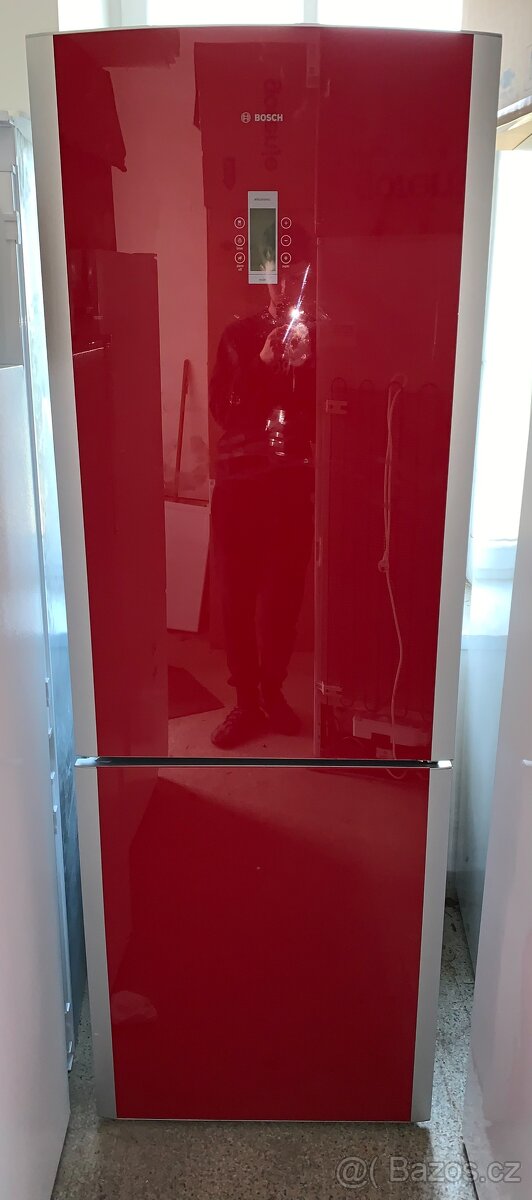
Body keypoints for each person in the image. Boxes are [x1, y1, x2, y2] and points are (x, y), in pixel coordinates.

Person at [209, 247, 315, 749]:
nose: (285, 288)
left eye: (294, 277)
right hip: (239, 489)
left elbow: (322, 418)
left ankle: (272, 693)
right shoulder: (238, 337)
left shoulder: (317, 342)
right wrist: (262, 363)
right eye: (277, 277)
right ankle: (246, 703)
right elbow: (225, 411)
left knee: (283, 600)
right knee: (236, 598)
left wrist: (306, 366)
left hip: (290, 489)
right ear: (264, 281)